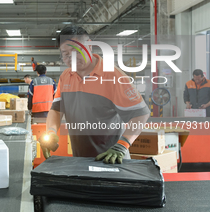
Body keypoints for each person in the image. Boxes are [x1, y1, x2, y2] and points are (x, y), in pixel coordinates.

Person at [39, 26, 150, 164]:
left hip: (111, 159)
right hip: (80, 159)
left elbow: (141, 114)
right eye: (65, 54)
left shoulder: (113, 76)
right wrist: (51, 131)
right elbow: (56, 109)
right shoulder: (66, 76)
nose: (71, 58)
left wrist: (122, 145)